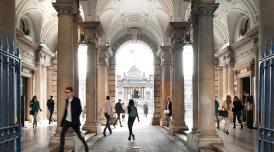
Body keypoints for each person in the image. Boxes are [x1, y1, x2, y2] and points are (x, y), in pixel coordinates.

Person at [60, 87, 88, 152]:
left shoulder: (77, 100)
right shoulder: (67, 100)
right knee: (62, 134)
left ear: (72, 93)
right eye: (65, 92)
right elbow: (66, 111)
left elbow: (80, 110)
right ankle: (61, 150)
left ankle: (86, 146)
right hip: (67, 121)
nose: (66, 93)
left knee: (79, 135)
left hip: (74, 121)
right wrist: (63, 121)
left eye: (68, 92)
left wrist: (76, 118)